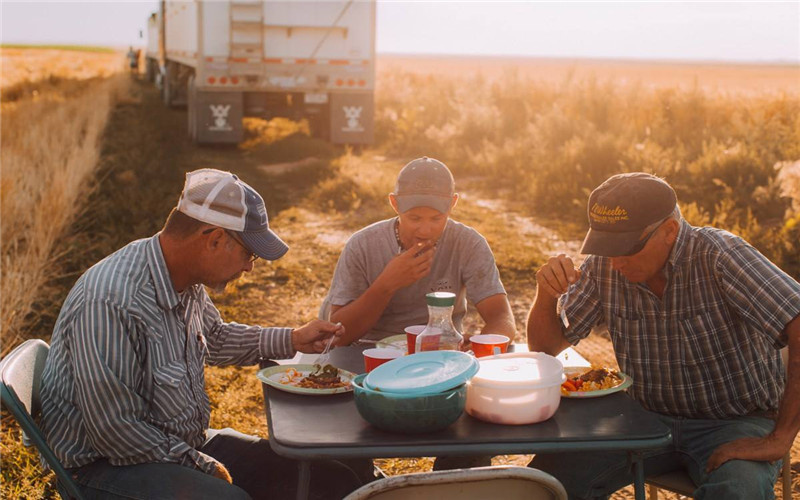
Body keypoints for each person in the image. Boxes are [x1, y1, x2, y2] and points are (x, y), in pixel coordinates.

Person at [40, 169, 368, 500]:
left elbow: (215, 337)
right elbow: (116, 432)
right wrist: (201, 465)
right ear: (213, 239)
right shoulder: (111, 300)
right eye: (248, 254)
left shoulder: (183, 277)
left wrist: (293, 339)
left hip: (178, 445)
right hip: (106, 467)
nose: (249, 267)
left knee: (330, 478)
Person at [527, 172, 800, 499]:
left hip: (736, 422)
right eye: (606, 246)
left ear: (669, 231)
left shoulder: (721, 255)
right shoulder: (605, 265)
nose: (614, 263)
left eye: (626, 248)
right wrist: (546, 295)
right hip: (643, 419)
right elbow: (546, 348)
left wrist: (780, 439)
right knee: (543, 484)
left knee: (738, 491)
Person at [327, 156, 516, 346]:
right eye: (414, 218)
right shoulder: (363, 245)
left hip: (443, 352)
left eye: (436, 219)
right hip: (371, 351)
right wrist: (387, 284)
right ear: (395, 203)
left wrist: (477, 349)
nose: (425, 230)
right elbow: (338, 335)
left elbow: (502, 318)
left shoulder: (468, 244)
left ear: (452, 204)